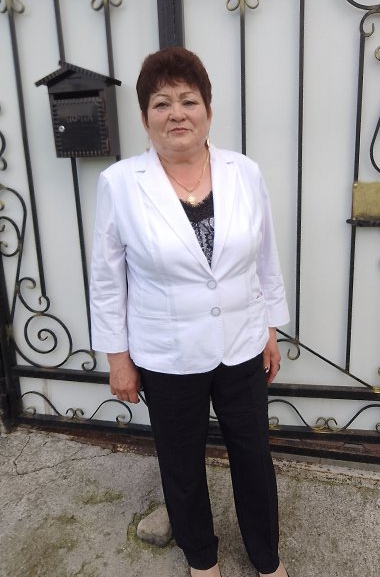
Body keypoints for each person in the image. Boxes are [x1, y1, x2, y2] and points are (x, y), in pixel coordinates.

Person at [89, 47, 290, 577]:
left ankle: (267, 557)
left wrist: (269, 328)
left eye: (188, 100)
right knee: (181, 462)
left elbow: (264, 257)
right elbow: (107, 280)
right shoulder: (120, 184)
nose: (176, 113)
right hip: (167, 352)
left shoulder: (244, 172)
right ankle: (202, 559)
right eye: (161, 103)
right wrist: (118, 359)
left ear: (208, 111)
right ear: (145, 118)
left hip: (242, 342)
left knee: (253, 455)